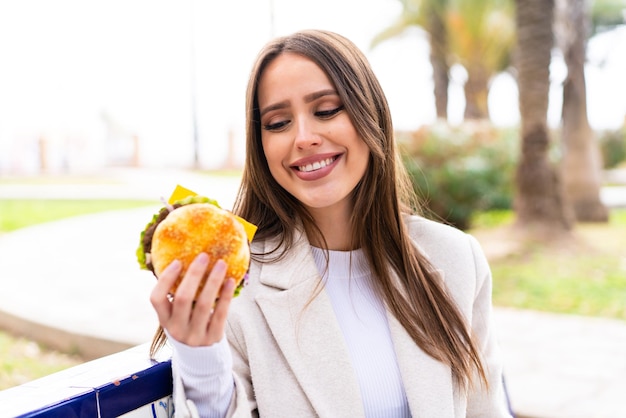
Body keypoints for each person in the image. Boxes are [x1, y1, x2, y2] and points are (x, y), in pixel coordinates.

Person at [150, 29, 513, 418]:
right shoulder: (236, 282)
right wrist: (201, 359)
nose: (304, 138)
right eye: (277, 123)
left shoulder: (457, 257)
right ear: (261, 146)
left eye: (326, 110)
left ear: (370, 114)